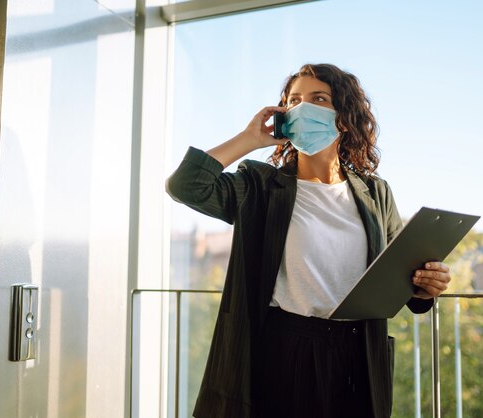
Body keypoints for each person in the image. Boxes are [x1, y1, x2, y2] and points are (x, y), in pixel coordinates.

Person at [166, 63, 451, 418]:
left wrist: (427, 287)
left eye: (318, 99)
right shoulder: (260, 185)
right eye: (294, 100)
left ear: (343, 117)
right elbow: (186, 186)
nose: (303, 108)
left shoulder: (376, 192)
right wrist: (248, 140)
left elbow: (400, 276)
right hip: (287, 349)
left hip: (360, 352)